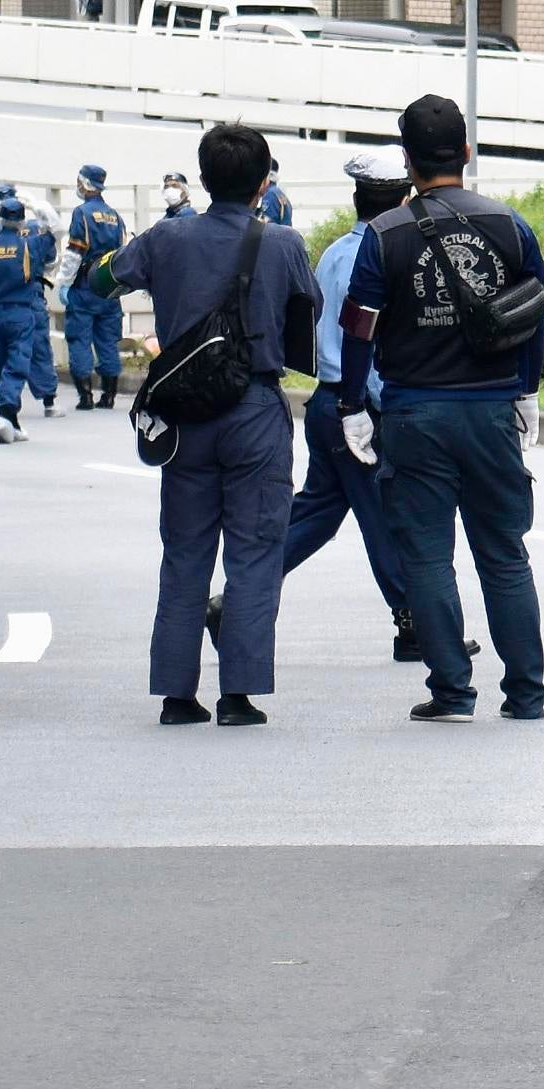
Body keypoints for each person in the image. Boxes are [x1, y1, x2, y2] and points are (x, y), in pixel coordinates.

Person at [339, 95, 544, 723]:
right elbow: (535, 314)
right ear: (465, 151)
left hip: (414, 413)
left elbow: (358, 330)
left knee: (428, 556)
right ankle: (527, 694)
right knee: (505, 554)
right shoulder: (510, 225)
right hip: (491, 412)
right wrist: (528, 387)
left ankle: (453, 691)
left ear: (407, 161)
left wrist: (354, 404)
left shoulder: (383, 237)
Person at [135, 123, 319, 726]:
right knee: (255, 551)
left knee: (184, 553)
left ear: (203, 179)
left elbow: (104, 278)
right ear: (264, 181)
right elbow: (309, 310)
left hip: (185, 413)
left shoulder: (167, 237)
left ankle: (175, 695)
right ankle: (238, 695)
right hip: (256, 410)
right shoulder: (285, 243)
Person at [252, 147, 419, 661]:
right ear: (405, 201)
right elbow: (364, 349)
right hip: (357, 407)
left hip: (326, 403)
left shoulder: (332, 254)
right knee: (387, 517)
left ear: (356, 198)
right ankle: (415, 624)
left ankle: (237, 597)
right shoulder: (381, 256)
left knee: (316, 517)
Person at [0, 187, 58, 440]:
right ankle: (7, 413)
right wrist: (38, 204)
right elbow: (56, 229)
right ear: (20, 221)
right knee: (17, 363)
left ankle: (13, 422)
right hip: (21, 312)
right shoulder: (30, 246)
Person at [62, 165, 129, 412]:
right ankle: (109, 395)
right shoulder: (115, 216)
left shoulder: (82, 214)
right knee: (108, 341)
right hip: (109, 285)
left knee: (79, 338)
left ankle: (86, 396)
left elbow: (74, 253)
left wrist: (65, 282)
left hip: (84, 285)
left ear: (85, 183)